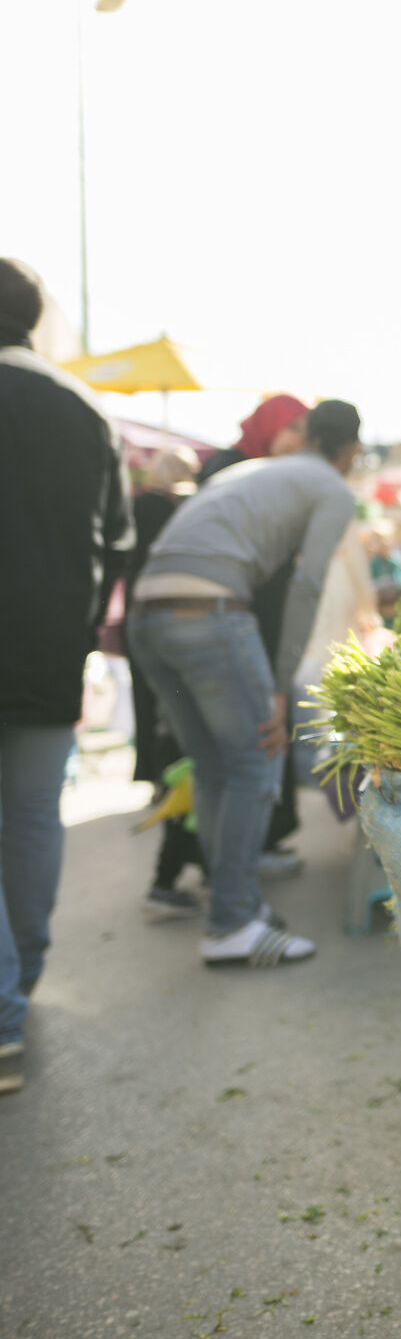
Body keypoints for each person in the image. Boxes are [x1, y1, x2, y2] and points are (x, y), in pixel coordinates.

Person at [126, 399, 363, 969]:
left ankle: (233, 907)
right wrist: (280, 689)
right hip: (207, 612)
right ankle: (232, 920)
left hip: (149, 614)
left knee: (214, 769)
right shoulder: (332, 488)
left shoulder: (251, 471)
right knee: (258, 758)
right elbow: (307, 588)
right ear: (351, 450)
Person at [0, 258, 132, 1089]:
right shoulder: (84, 410)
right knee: (32, 820)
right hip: (50, 645)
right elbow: (118, 539)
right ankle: (25, 977)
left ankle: (3, 1011)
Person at [198, 394, 311, 875]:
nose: (296, 445)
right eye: (292, 432)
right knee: (247, 739)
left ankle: (251, 851)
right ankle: (233, 871)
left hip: (259, 615)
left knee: (260, 731)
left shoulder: (282, 477)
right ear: (272, 426)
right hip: (227, 615)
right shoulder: (228, 466)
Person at [122, 446, 209, 913]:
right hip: (173, 667)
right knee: (187, 771)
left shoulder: (143, 508)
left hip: (163, 659)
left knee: (186, 767)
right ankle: (169, 878)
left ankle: (190, 872)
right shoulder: (159, 511)